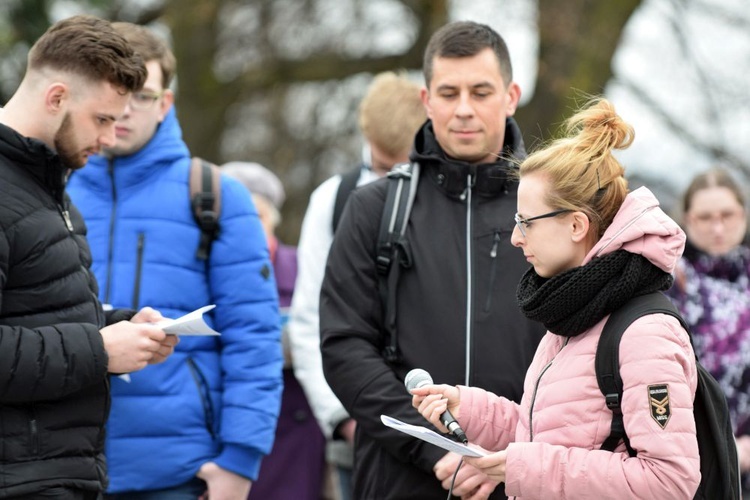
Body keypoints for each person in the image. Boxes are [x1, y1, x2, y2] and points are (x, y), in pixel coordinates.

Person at [411, 97, 701, 499]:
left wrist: (524, 468)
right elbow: (550, 431)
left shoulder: (645, 332)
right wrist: (468, 409)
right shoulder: (575, 313)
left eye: (525, 222)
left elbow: (668, 481)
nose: (515, 238)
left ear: (577, 225)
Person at [319, 21, 546, 499]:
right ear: (427, 100)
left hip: (527, 478)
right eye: (449, 92)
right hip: (402, 477)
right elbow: (345, 347)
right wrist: (435, 449)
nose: (464, 109)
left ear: (511, 96)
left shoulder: (555, 213)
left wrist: (523, 457)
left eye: (481, 91)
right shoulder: (375, 208)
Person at [66, 23, 282, 500]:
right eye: (112, 92)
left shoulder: (216, 197)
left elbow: (254, 337)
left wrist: (239, 463)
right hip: (58, 465)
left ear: (165, 103)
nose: (122, 110)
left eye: (140, 95)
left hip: (181, 473)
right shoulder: (48, 189)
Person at [0, 15, 179, 499]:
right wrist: (100, 350)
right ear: (57, 97)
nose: (108, 139)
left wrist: (122, 328)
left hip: (63, 473)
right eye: (102, 119)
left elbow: (35, 311)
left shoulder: (50, 187)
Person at [288, 70, 426, 500]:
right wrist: (341, 419)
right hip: (354, 425)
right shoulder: (334, 198)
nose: (392, 178)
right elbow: (310, 316)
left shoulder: (441, 200)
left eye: (404, 164)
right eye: (383, 165)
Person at [222, 161, 327, 500]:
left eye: (259, 217)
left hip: (295, 423)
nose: (250, 228)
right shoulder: (207, 272)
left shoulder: (303, 269)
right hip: (231, 422)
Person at [665, 168, 750, 494]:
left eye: (727, 215)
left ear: (742, 214)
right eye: (705, 217)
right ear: (687, 219)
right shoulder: (671, 281)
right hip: (690, 461)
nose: (718, 227)